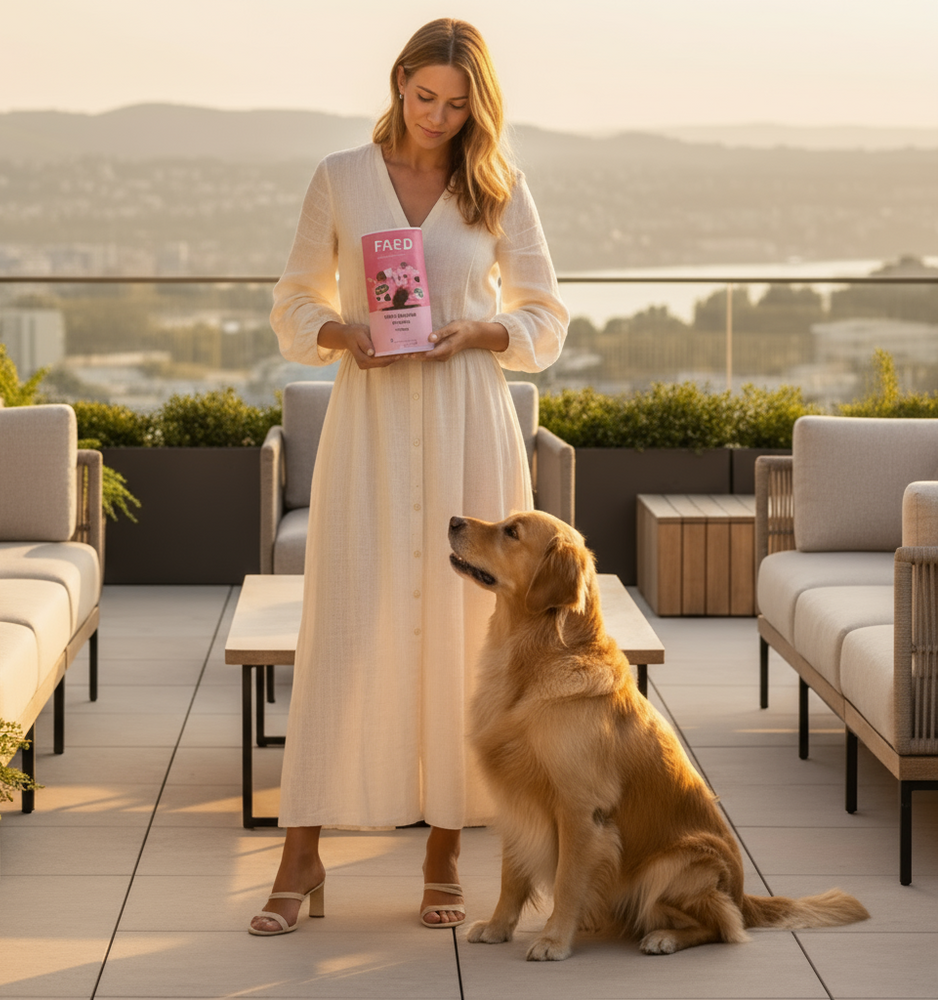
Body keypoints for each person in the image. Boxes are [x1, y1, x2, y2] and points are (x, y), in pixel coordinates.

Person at [250, 17, 568, 936]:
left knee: (468, 636)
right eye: (424, 96)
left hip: (469, 418)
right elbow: (292, 299)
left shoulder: (498, 187)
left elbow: (545, 314)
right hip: (374, 424)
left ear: (480, 106)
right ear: (397, 84)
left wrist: (479, 331)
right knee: (348, 626)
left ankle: (443, 850)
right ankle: (300, 853)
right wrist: (341, 332)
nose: (437, 117)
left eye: (458, 104)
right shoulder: (341, 178)